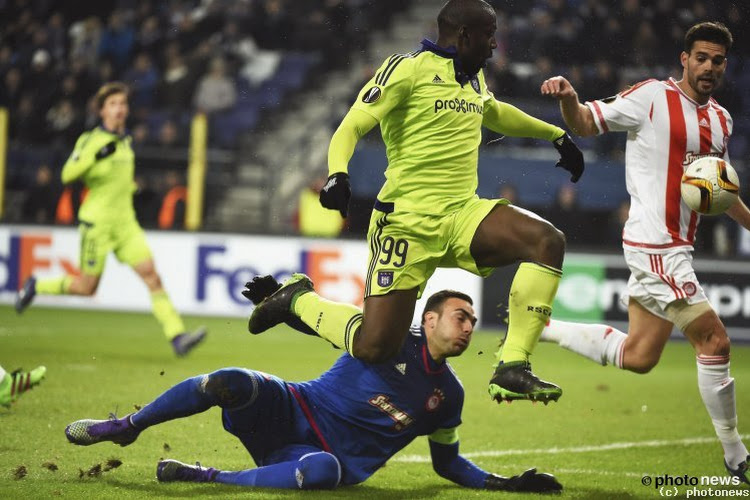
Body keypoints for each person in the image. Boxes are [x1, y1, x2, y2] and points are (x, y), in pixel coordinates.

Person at [251, 0, 585, 404]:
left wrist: (556, 135)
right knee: (375, 348)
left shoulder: (473, 79)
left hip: (462, 213)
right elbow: (353, 123)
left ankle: (512, 365)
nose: (496, 44)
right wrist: (338, 172)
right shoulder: (406, 69)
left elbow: (494, 113)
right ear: (464, 35)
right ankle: (298, 299)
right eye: (489, 34)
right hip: (405, 225)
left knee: (547, 240)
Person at [65, 280, 562, 493]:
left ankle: (205, 477)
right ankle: (127, 426)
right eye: (460, 317)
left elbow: (446, 461)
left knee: (321, 472)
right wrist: (290, 304)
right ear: (429, 320)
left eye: (473, 320)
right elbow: (328, 323)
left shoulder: (447, 397)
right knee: (228, 379)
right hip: (292, 405)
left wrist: (506, 483)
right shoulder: (387, 336)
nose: (470, 326)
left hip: (319, 457)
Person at [540, 21, 750, 482]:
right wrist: (568, 98)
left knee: (639, 355)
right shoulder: (652, 97)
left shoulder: (722, 120)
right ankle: (737, 456)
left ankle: (543, 328)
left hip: (675, 248)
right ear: (685, 58)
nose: (709, 67)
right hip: (656, 244)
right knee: (714, 341)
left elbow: (722, 191)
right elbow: (586, 123)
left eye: (718, 60)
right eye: (701, 58)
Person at [15, 82, 206, 357]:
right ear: (102, 110)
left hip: (125, 224)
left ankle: (177, 337)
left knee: (152, 276)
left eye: (123, 104)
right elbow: (68, 175)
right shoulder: (91, 141)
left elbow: (119, 180)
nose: (119, 109)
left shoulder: (125, 141)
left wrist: (135, 189)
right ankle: (36, 285)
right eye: (113, 104)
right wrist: (95, 156)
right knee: (86, 287)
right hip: (98, 224)